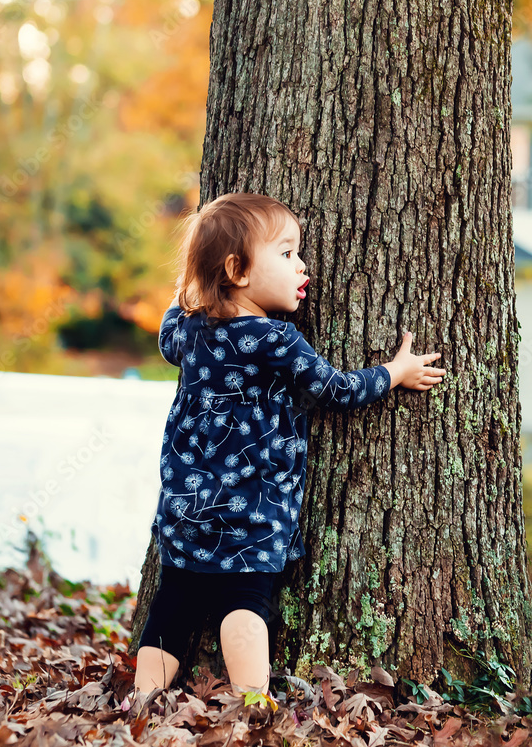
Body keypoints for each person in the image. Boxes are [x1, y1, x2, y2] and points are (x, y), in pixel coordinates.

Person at [121, 192, 446, 717]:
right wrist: (395, 372)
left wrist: (196, 291)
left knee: (173, 603)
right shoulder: (277, 340)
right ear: (238, 270)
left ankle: (142, 700)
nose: (303, 266)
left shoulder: (189, 328)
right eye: (288, 254)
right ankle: (253, 702)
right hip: (253, 509)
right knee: (244, 602)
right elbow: (337, 390)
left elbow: (166, 332)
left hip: (184, 506)